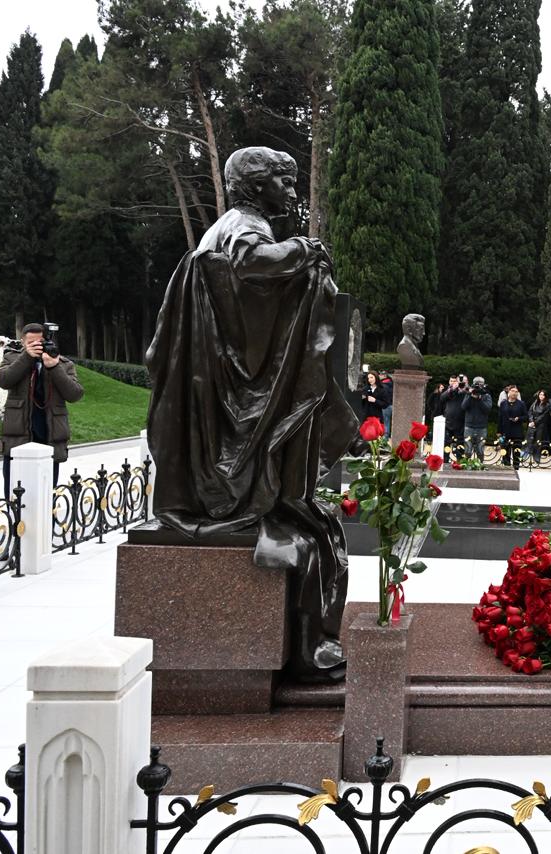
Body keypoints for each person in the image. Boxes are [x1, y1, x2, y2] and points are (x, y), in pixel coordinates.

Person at [145, 146, 356, 682]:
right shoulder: (242, 227)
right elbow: (252, 266)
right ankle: (310, 650)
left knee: (311, 528)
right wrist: (306, 252)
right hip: (230, 407)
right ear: (255, 185)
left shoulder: (233, 225)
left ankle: (309, 643)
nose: (292, 191)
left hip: (222, 400)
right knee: (309, 532)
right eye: (283, 182)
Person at [0, 323, 85, 498]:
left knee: (45, 494)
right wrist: (27, 358)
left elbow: (75, 394)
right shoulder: (12, 359)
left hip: (49, 438)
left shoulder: (63, 364)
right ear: (22, 342)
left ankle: (45, 525)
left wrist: (53, 367)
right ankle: (16, 525)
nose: (36, 345)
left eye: (40, 341)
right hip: (18, 438)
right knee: (14, 494)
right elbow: (3, 380)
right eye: (31, 342)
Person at [461, 376, 494, 461]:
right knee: (467, 450)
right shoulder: (469, 394)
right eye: (477, 384)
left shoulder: (486, 396)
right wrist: (470, 395)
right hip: (469, 426)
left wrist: (479, 399)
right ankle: (466, 467)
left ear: (483, 385)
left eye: (480, 384)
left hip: (481, 427)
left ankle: (480, 467)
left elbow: (487, 409)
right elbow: (463, 407)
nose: (478, 386)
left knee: (480, 451)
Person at [498, 385, 528, 469]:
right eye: (513, 391)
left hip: (517, 431)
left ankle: (516, 467)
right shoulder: (503, 403)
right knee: (505, 450)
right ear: (508, 392)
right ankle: (507, 467)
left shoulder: (521, 404)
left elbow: (526, 416)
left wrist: (519, 418)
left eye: (516, 391)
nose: (514, 393)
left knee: (516, 451)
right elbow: (500, 417)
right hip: (505, 430)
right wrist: (499, 431)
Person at [440, 374, 468, 460]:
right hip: (449, 421)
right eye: (460, 382)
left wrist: (465, 389)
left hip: (461, 422)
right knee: (446, 443)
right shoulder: (451, 390)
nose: (461, 383)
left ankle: (459, 462)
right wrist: (453, 388)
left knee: (460, 444)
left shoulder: (468, 390)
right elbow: (442, 398)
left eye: (464, 382)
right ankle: (445, 460)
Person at [526, 388, 551, 462]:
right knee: (529, 439)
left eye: (543, 395)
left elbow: (543, 416)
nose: (541, 396)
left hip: (540, 425)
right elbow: (530, 411)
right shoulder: (535, 402)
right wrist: (531, 421)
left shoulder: (547, 405)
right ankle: (525, 454)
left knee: (538, 441)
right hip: (532, 423)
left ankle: (537, 456)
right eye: (540, 394)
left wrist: (535, 422)